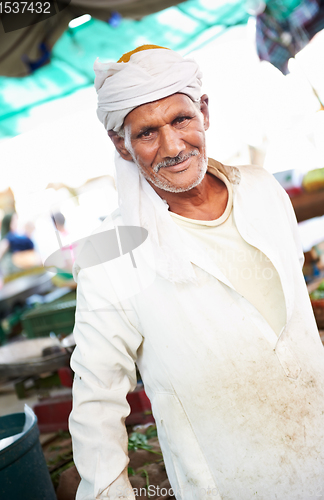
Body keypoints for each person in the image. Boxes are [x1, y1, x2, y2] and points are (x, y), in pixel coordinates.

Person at [69, 45, 324, 500]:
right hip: (229, 483)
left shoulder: (263, 191)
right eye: (147, 132)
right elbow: (97, 400)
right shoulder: (111, 258)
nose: (172, 146)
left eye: (181, 120)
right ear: (121, 146)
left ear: (204, 111)